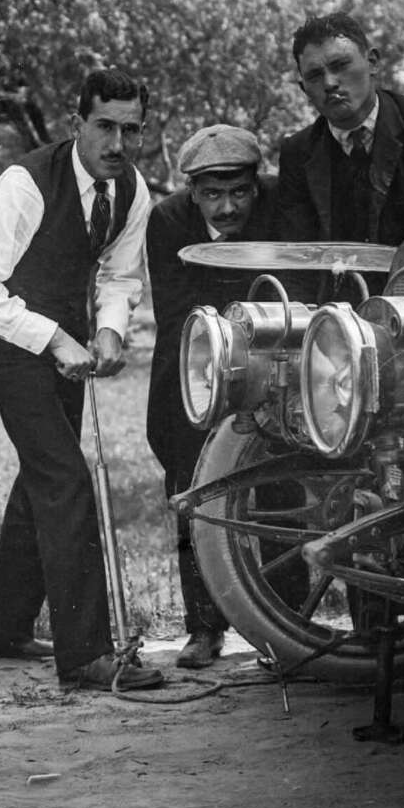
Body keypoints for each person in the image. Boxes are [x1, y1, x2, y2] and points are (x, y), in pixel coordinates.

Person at [0, 69, 163, 691]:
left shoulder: (133, 191)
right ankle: (86, 656)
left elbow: (120, 277)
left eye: (131, 130)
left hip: (68, 338)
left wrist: (111, 331)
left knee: (42, 477)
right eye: (104, 127)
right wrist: (54, 338)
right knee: (66, 478)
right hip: (9, 335)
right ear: (76, 125)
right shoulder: (24, 184)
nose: (118, 143)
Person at [145, 125, 287, 669]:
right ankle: (204, 627)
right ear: (192, 191)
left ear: (257, 183)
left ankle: (285, 628)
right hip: (196, 364)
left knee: (281, 489)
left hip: (274, 361)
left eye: (240, 192)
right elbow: (175, 310)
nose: (227, 208)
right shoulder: (167, 221)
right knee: (193, 493)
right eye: (212, 195)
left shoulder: (283, 202)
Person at [278, 12, 404, 247]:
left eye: (340, 65)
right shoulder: (296, 153)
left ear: (373, 62)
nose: (329, 83)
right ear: (303, 88)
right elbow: (299, 252)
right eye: (314, 75)